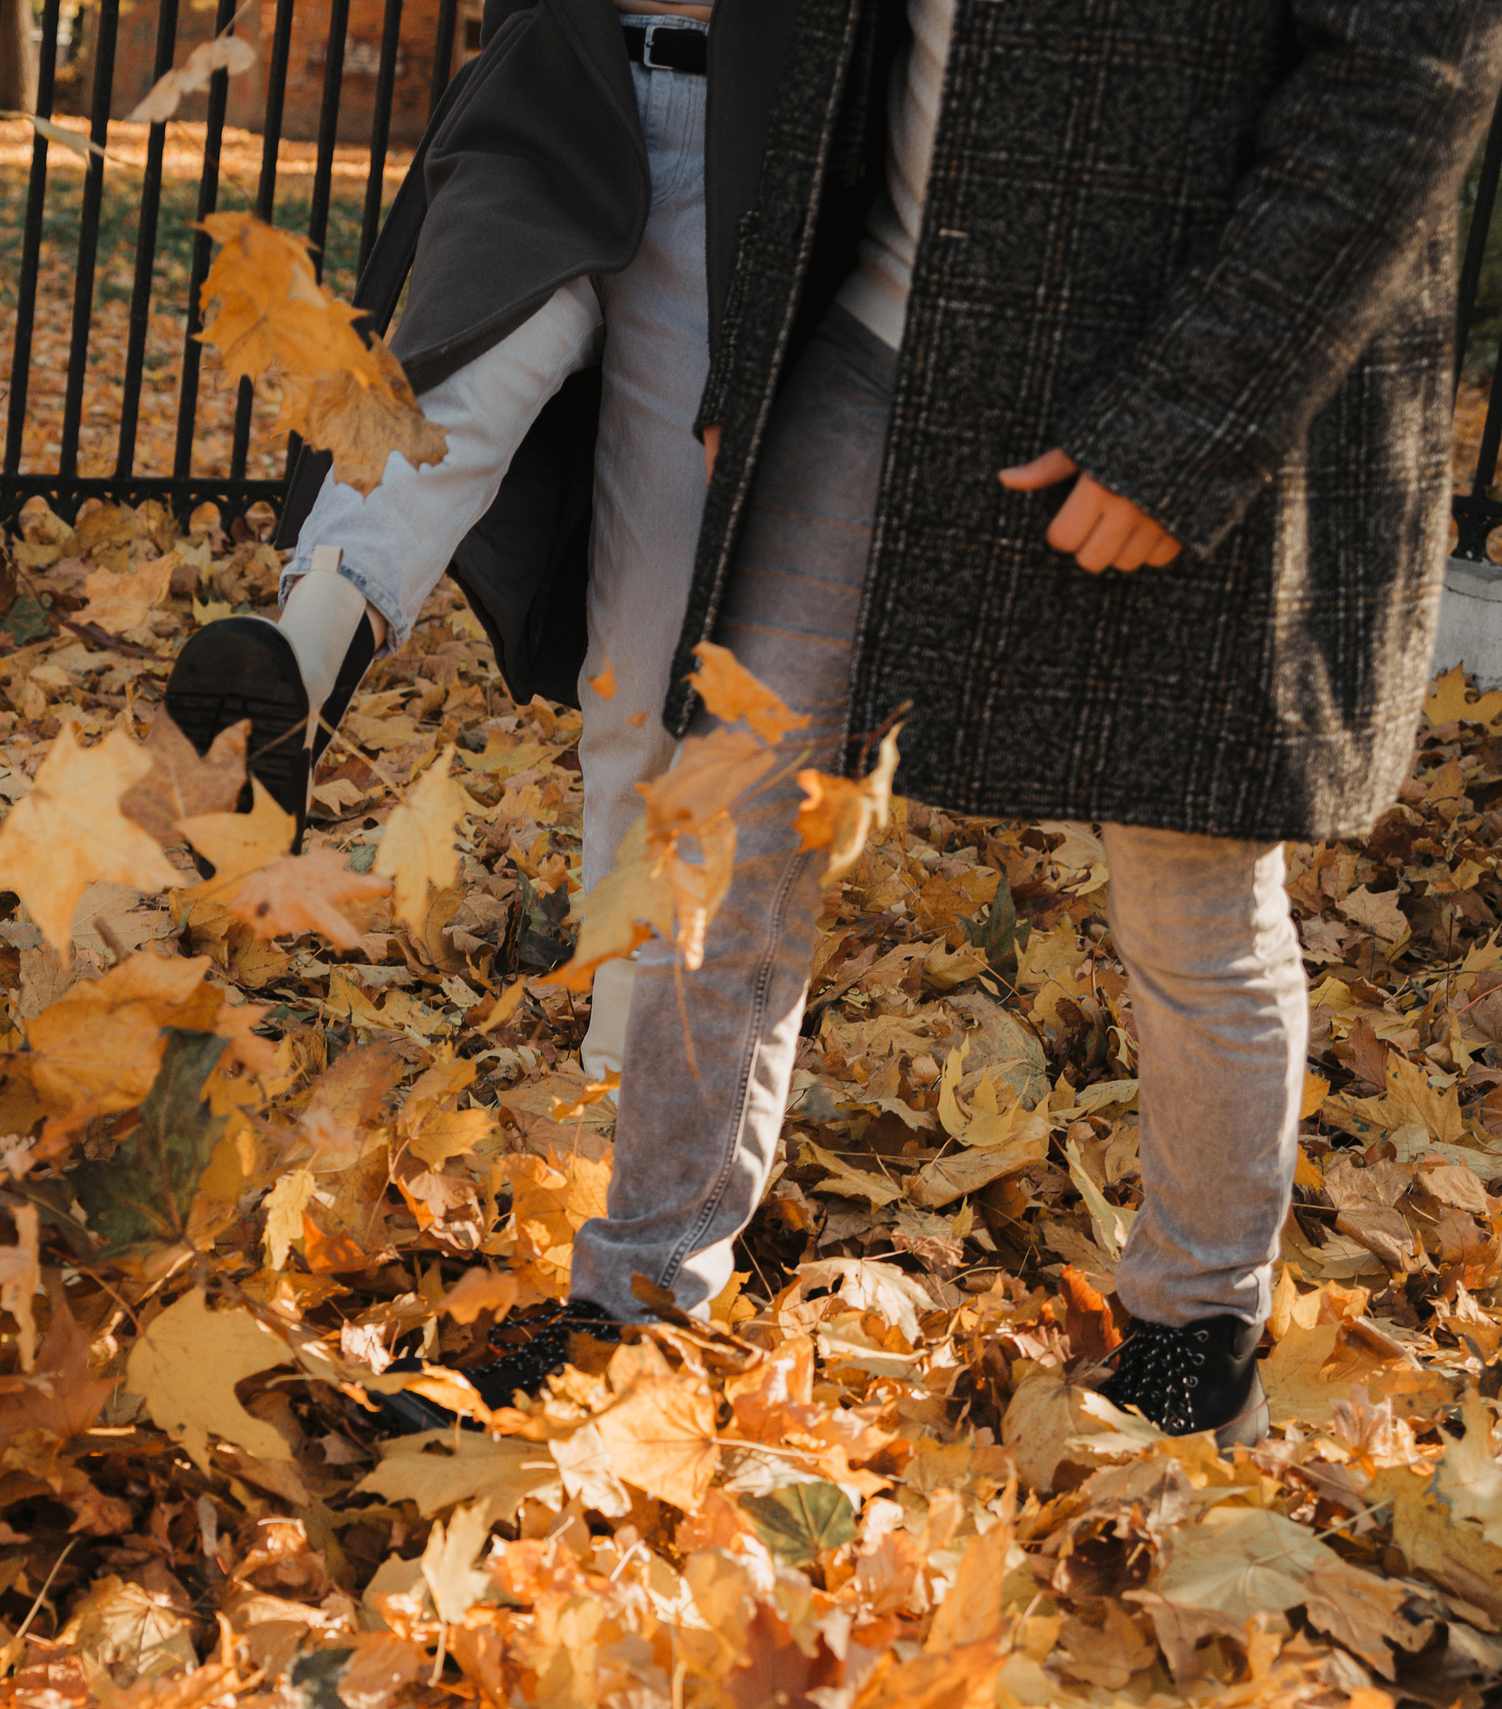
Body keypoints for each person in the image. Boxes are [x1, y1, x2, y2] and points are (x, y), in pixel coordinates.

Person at [474, 0, 1502, 1446]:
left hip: (1185, 358)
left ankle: (1196, 1331)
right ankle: (638, 1294)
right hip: (877, 339)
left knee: (1189, 879)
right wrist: (754, 352)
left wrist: (1188, 419)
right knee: (728, 811)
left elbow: (1414, 77)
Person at [162, 0, 796, 1087]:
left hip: (747, 143)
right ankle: (299, 670)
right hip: (561, 94)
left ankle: (620, 1060)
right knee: (447, 397)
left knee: (643, 650)